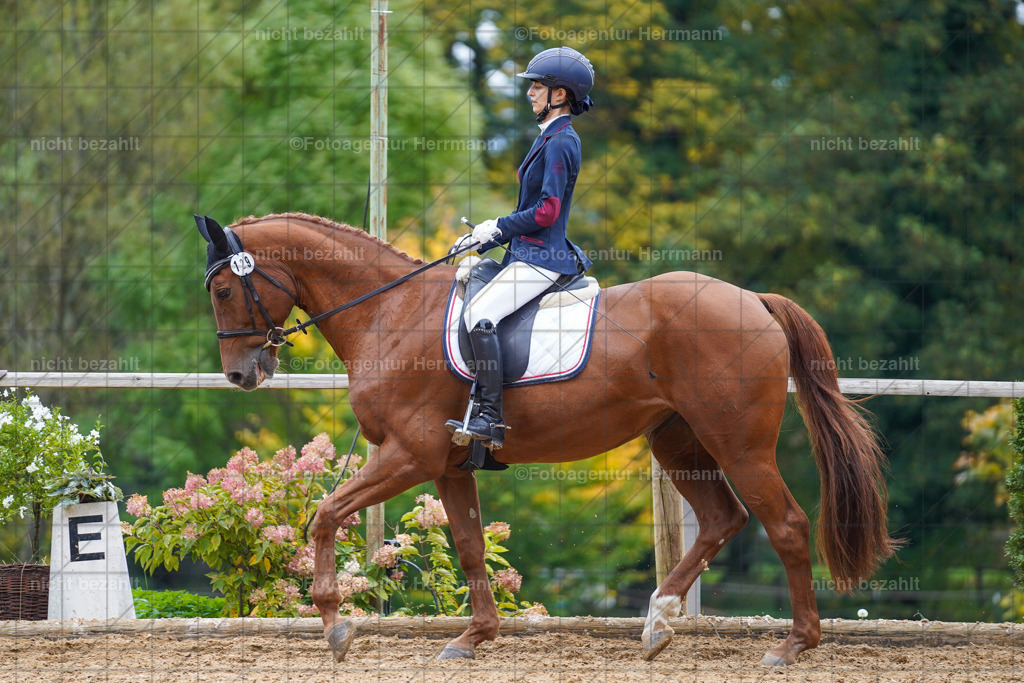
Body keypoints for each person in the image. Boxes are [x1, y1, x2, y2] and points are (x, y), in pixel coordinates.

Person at [445, 46, 596, 450]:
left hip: (542, 258)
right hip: (525, 253)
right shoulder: (548, 137)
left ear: (559, 95)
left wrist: (499, 227)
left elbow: (547, 211)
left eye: (537, 87)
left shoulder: (563, 141)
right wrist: (486, 236)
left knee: (479, 314)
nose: (530, 93)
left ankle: (490, 418)